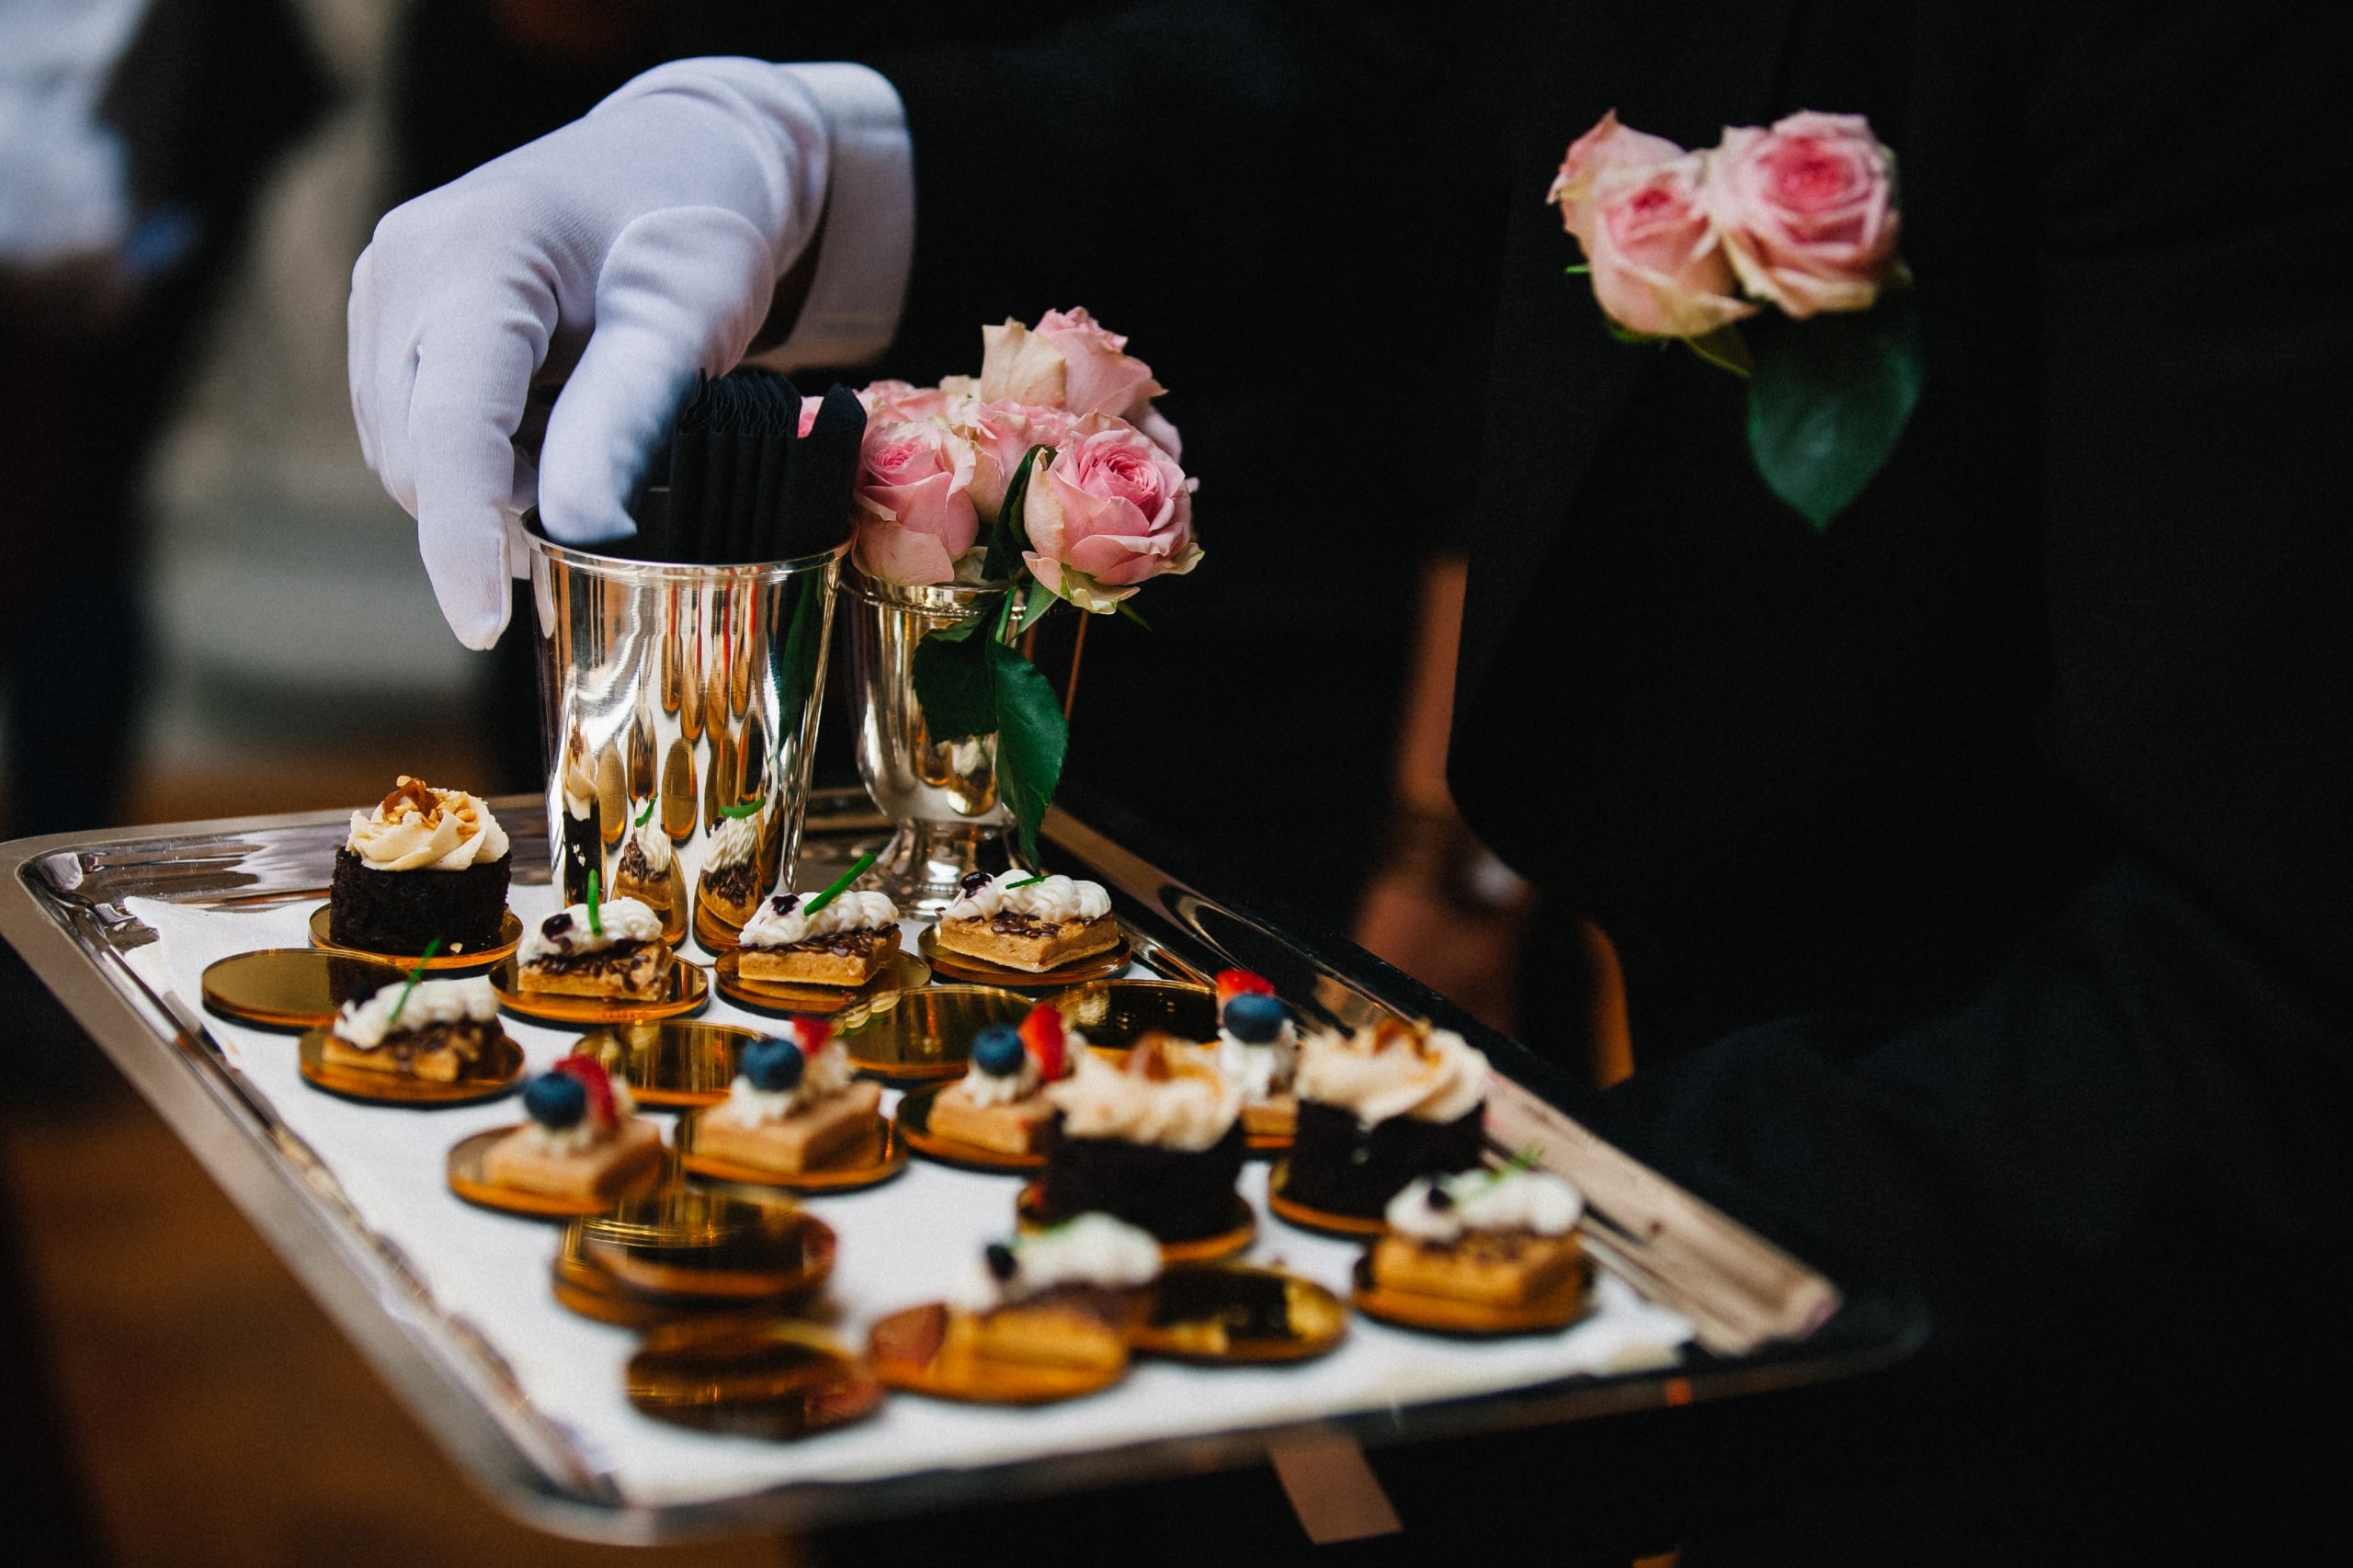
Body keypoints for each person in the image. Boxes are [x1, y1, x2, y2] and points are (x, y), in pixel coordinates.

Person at [346, 1, 2353, 1559]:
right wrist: (805, 160)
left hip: (2114, 1275)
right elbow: (1418, 79)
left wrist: (1388, 1274)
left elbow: (2275, 1001)